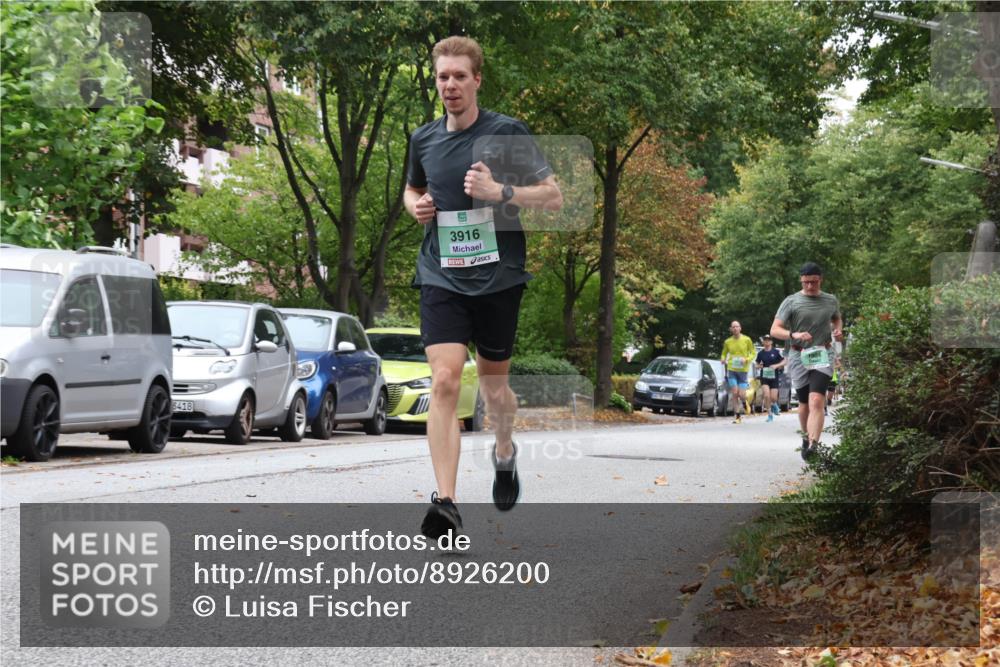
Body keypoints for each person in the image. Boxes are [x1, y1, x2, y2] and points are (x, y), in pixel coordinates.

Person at [403, 36, 563, 539]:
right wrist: (417, 206)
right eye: (442, 77)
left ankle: (504, 449)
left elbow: (554, 198)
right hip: (441, 273)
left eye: (459, 76)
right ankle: (446, 503)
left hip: (497, 279)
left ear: (477, 80)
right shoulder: (423, 139)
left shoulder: (508, 133)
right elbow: (413, 188)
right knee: (445, 381)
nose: (449, 85)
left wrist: (500, 191)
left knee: (495, 391)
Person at [769, 262, 843, 460]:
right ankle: (805, 436)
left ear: (820, 280)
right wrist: (795, 334)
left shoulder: (830, 300)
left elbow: (836, 318)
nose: (810, 286)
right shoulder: (791, 301)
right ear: (801, 281)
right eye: (806, 282)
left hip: (823, 353)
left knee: (817, 400)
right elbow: (774, 330)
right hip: (798, 354)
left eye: (814, 282)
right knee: (804, 404)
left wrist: (838, 330)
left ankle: (813, 445)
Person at [721, 321, 755, 424]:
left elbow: (753, 352)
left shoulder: (746, 339)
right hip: (732, 369)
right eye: (733, 327)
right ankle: (737, 416)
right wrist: (722, 359)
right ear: (731, 329)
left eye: (737, 326)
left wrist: (747, 359)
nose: (735, 328)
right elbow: (724, 353)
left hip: (743, 371)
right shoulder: (728, 341)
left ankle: (745, 403)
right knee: (735, 393)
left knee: (742, 394)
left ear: (740, 328)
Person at [755, 334, 786, 422]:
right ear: (763, 342)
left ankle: (774, 404)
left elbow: (784, 361)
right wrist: (759, 366)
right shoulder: (760, 353)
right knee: (766, 395)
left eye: (768, 340)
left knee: (773, 397)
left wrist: (777, 365)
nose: (767, 341)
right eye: (765, 340)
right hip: (764, 377)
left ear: (771, 342)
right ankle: (769, 414)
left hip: (774, 377)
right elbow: (756, 364)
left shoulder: (776, 352)